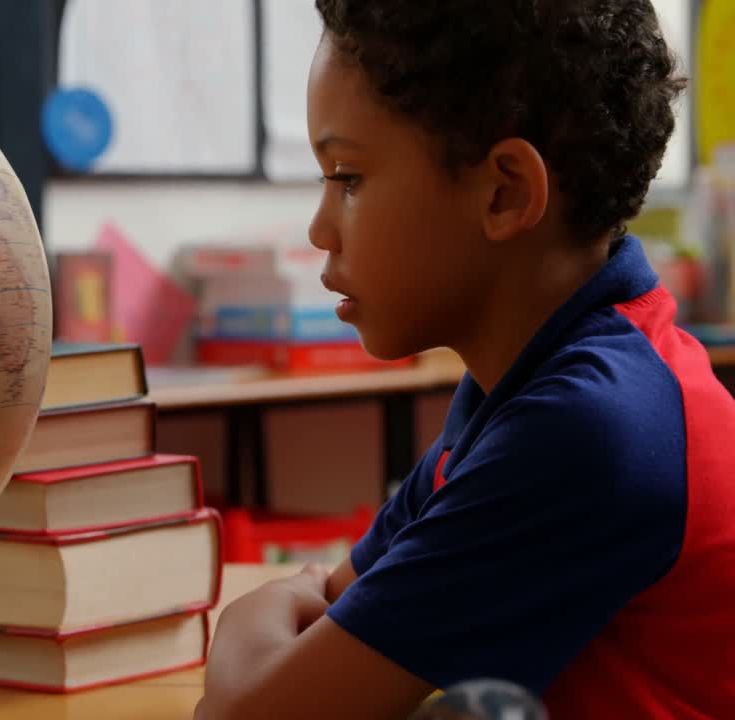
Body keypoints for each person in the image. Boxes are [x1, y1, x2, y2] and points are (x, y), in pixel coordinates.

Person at [196, 2, 735, 718]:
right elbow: (337, 607)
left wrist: (248, 611)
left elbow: (259, 711)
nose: (321, 229)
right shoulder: (521, 387)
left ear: (506, 192)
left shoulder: (593, 427)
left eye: (349, 177)